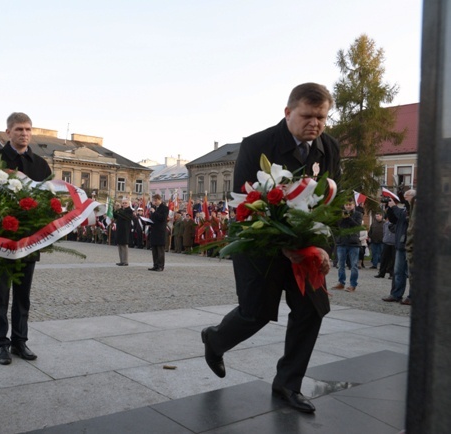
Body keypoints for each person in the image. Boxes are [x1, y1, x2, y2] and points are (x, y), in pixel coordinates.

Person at [201, 83, 340, 413]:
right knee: (256, 312)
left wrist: (320, 248)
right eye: (307, 115)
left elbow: (330, 201)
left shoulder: (329, 148)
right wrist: (282, 244)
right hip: (258, 241)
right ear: (288, 112)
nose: (315, 124)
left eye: (322, 117)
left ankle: (288, 385)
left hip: (305, 244)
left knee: (312, 309)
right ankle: (215, 339)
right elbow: (245, 204)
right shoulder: (257, 145)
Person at [0, 112, 52, 366]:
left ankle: (19, 341)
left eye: (28, 129)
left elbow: (50, 201)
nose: (24, 133)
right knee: (1, 293)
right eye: (18, 129)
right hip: (1, 239)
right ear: (8, 132)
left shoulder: (40, 164)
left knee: (23, 294)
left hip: (30, 240)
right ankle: (1, 344)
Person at [381, 190, 415, 304]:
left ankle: (412, 296)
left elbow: (407, 218)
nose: (404, 199)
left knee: (412, 273)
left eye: (406, 197)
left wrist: (394, 207)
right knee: (398, 271)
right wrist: (390, 209)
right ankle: (396, 294)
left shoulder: (416, 210)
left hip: (412, 245)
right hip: (400, 244)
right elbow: (394, 220)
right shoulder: (404, 209)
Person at [332, 199, 362, 292]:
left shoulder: (358, 214)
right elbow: (337, 225)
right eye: (346, 204)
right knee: (341, 264)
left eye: (350, 204)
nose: (348, 206)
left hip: (353, 242)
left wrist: (348, 218)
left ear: (353, 205)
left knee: (354, 265)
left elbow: (357, 226)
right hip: (342, 242)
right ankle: (341, 282)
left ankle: (353, 284)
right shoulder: (340, 214)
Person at [148, 193, 168, 271]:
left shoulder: (164, 208)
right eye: (153, 200)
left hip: (160, 232)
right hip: (154, 231)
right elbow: (153, 219)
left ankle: (160, 266)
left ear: (160, 200)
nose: (154, 202)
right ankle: (155, 265)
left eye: (156, 200)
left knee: (160, 250)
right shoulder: (154, 208)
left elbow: (162, 218)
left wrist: (154, 212)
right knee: (154, 250)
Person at [114, 198, 133, 266]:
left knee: (124, 245)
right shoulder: (121, 210)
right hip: (119, 229)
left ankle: (125, 261)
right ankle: (121, 260)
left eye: (125, 203)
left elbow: (125, 216)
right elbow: (115, 216)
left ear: (128, 204)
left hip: (125, 229)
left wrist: (119, 210)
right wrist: (115, 209)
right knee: (119, 245)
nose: (124, 204)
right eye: (123, 203)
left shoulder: (129, 211)